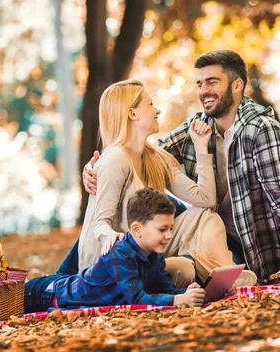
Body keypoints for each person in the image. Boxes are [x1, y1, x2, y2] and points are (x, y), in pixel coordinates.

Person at [83, 50, 280, 283]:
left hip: (249, 245)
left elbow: (279, 196)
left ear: (237, 86)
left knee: (203, 220)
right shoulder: (192, 129)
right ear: (132, 112)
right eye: (200, 84)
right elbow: (133, 156)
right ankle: (209, 277)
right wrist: (95, 169)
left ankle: (216, 275)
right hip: (128, 252)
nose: (203, 91)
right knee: (186, 261)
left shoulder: (260, 129)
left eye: (212, 82)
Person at [72, 78, 256, 287]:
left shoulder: (156, 158)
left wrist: (201, 148)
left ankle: (227, 275)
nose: (157, 110)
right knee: (182, 268)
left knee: (206, 216)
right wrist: (110, 237)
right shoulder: (115, 159)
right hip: (114, 264)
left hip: (145, 251)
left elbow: (205, 199)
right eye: (150, 104)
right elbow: (99, 223)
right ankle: (220, 281)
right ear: (132, 113)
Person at [24, 188, 206, 313]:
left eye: (171, 229)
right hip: (44, 294)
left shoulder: (154, 254)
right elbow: (136, 299)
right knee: (1, 306)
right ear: (136, 229)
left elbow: (164, 288)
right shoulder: (119, 254)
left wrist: (190, 293)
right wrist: (176, 301)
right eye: (162, 229)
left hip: (65, 285)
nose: (169, 235)